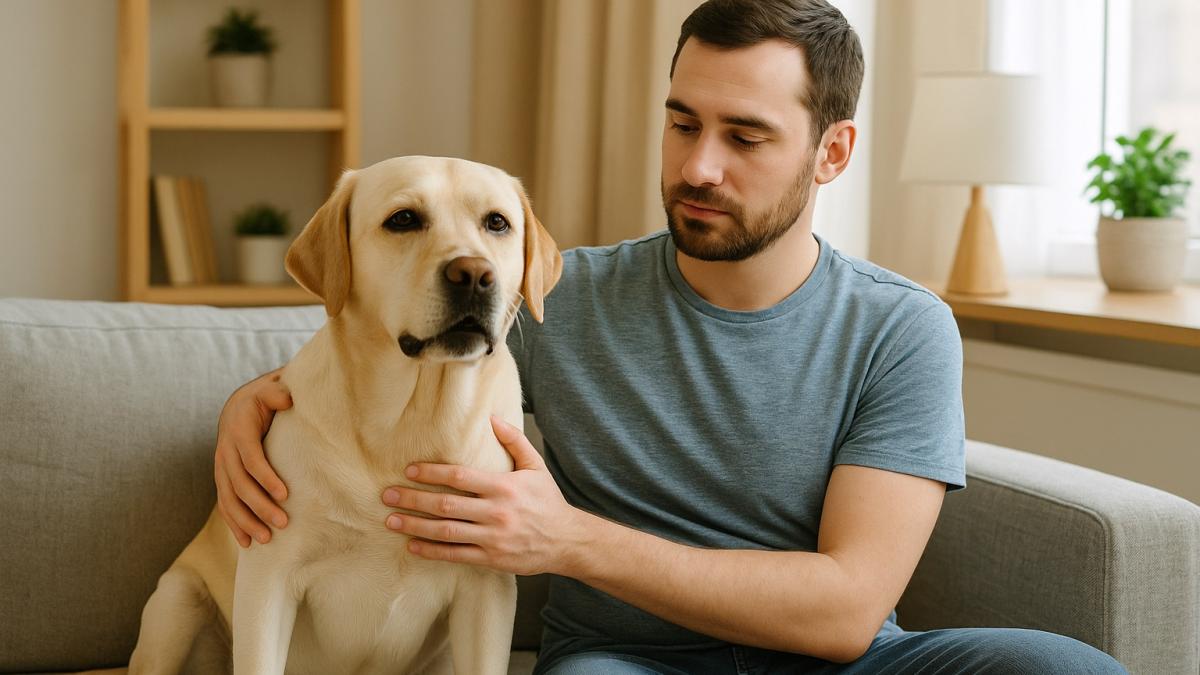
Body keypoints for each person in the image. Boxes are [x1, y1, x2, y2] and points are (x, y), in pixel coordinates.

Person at [212, 1, 1127, 672]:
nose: (698, 166)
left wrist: (567, 539)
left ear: (832, 153)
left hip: (849, 664)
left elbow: (850, 608)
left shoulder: (902, 326)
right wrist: (249, 401)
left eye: (746, 137)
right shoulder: (550, 298)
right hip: (624, 662)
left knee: (1069, 669)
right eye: (683, 122)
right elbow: (378, 348)